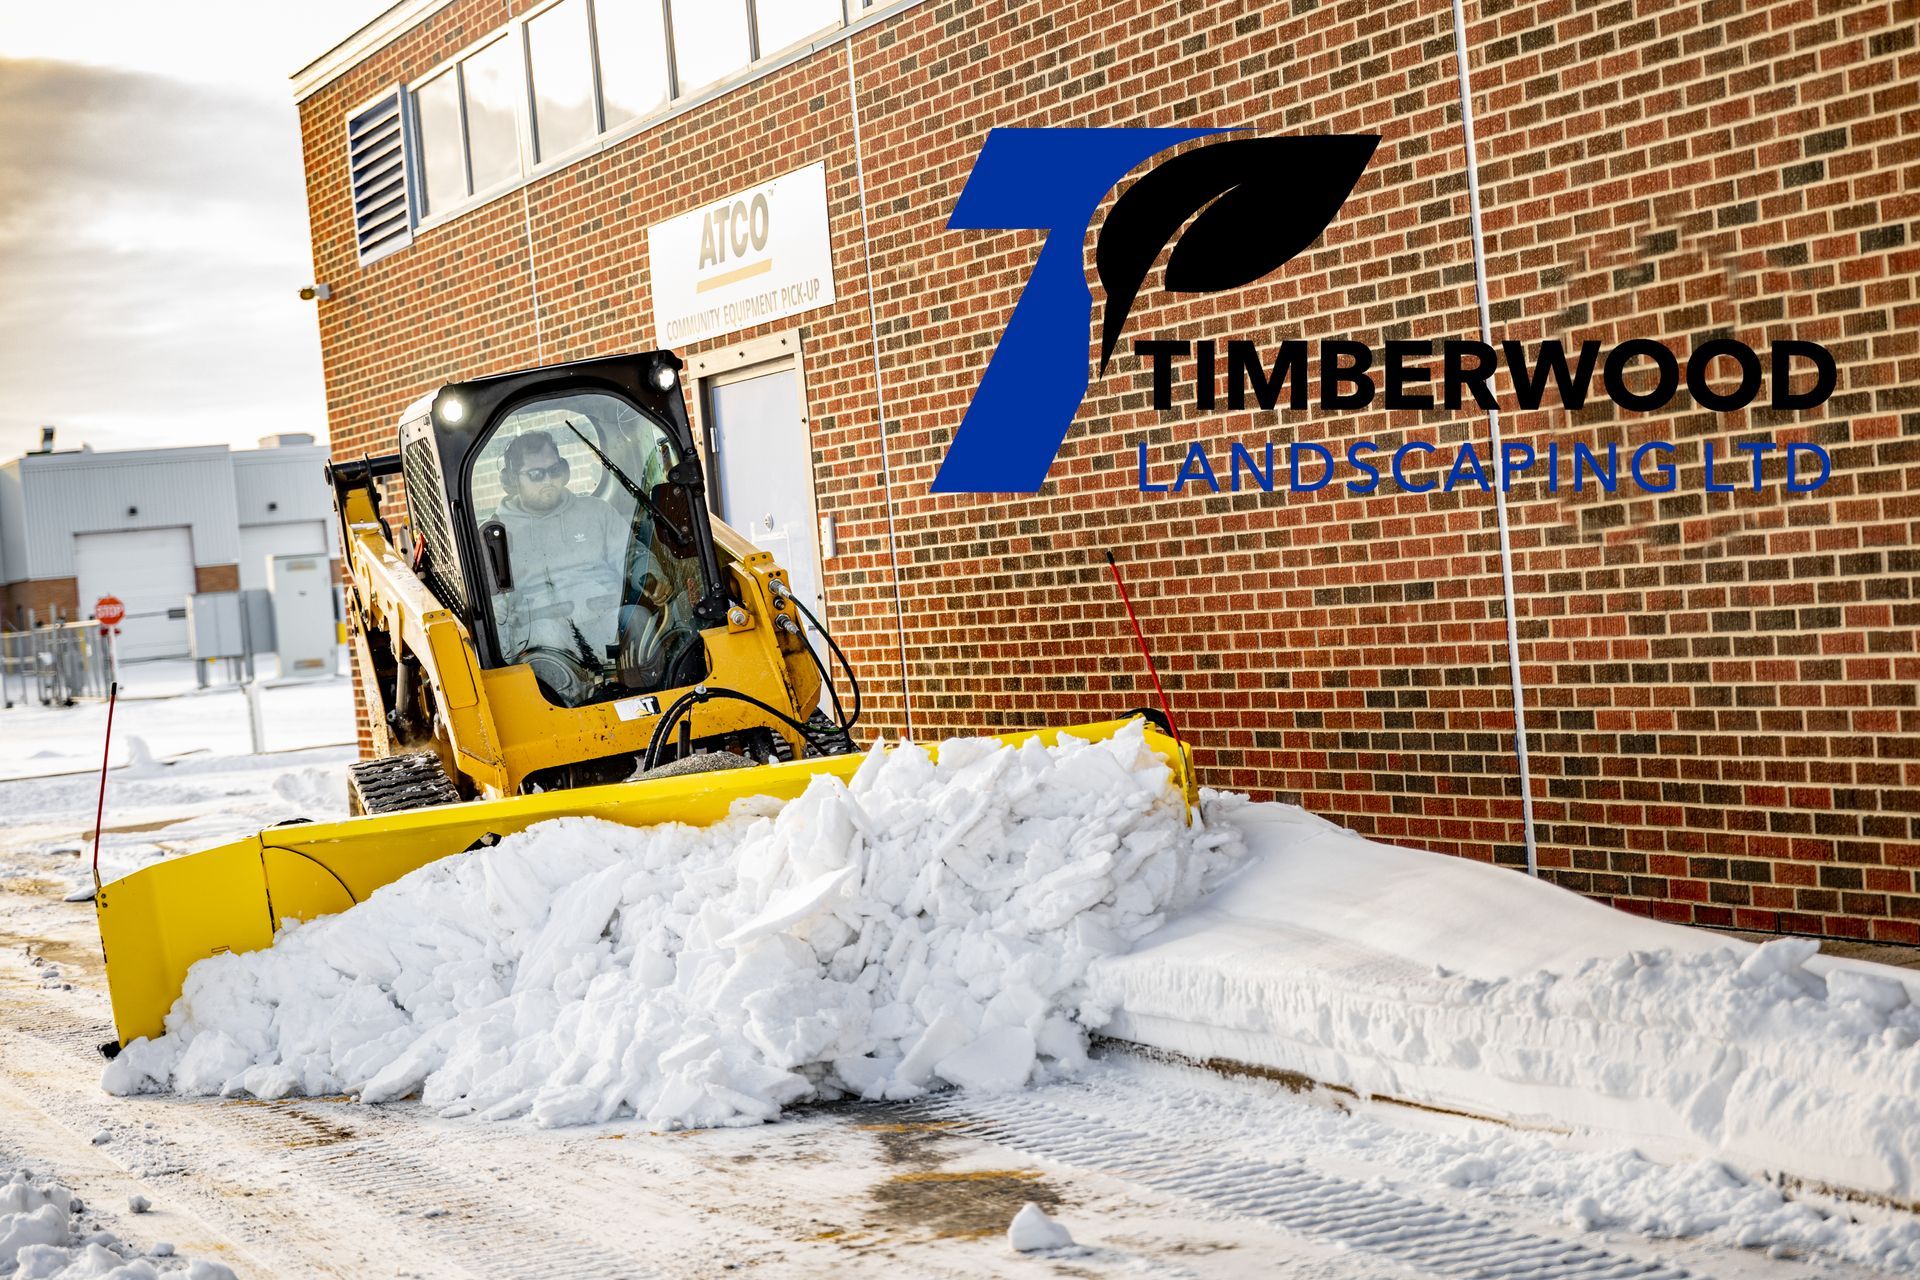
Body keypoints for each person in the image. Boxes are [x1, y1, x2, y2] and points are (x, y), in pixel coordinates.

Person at [490, 429, 666, 680]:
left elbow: (630, 554)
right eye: (536, 475)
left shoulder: (597, 512)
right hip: (543, 635)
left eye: (555, 470)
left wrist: (649, 576)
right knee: (545, 639)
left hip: (607, 619)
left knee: (638, 618)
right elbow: (495, 606)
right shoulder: (495, 535)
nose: (548, 480)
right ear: (511, 481)